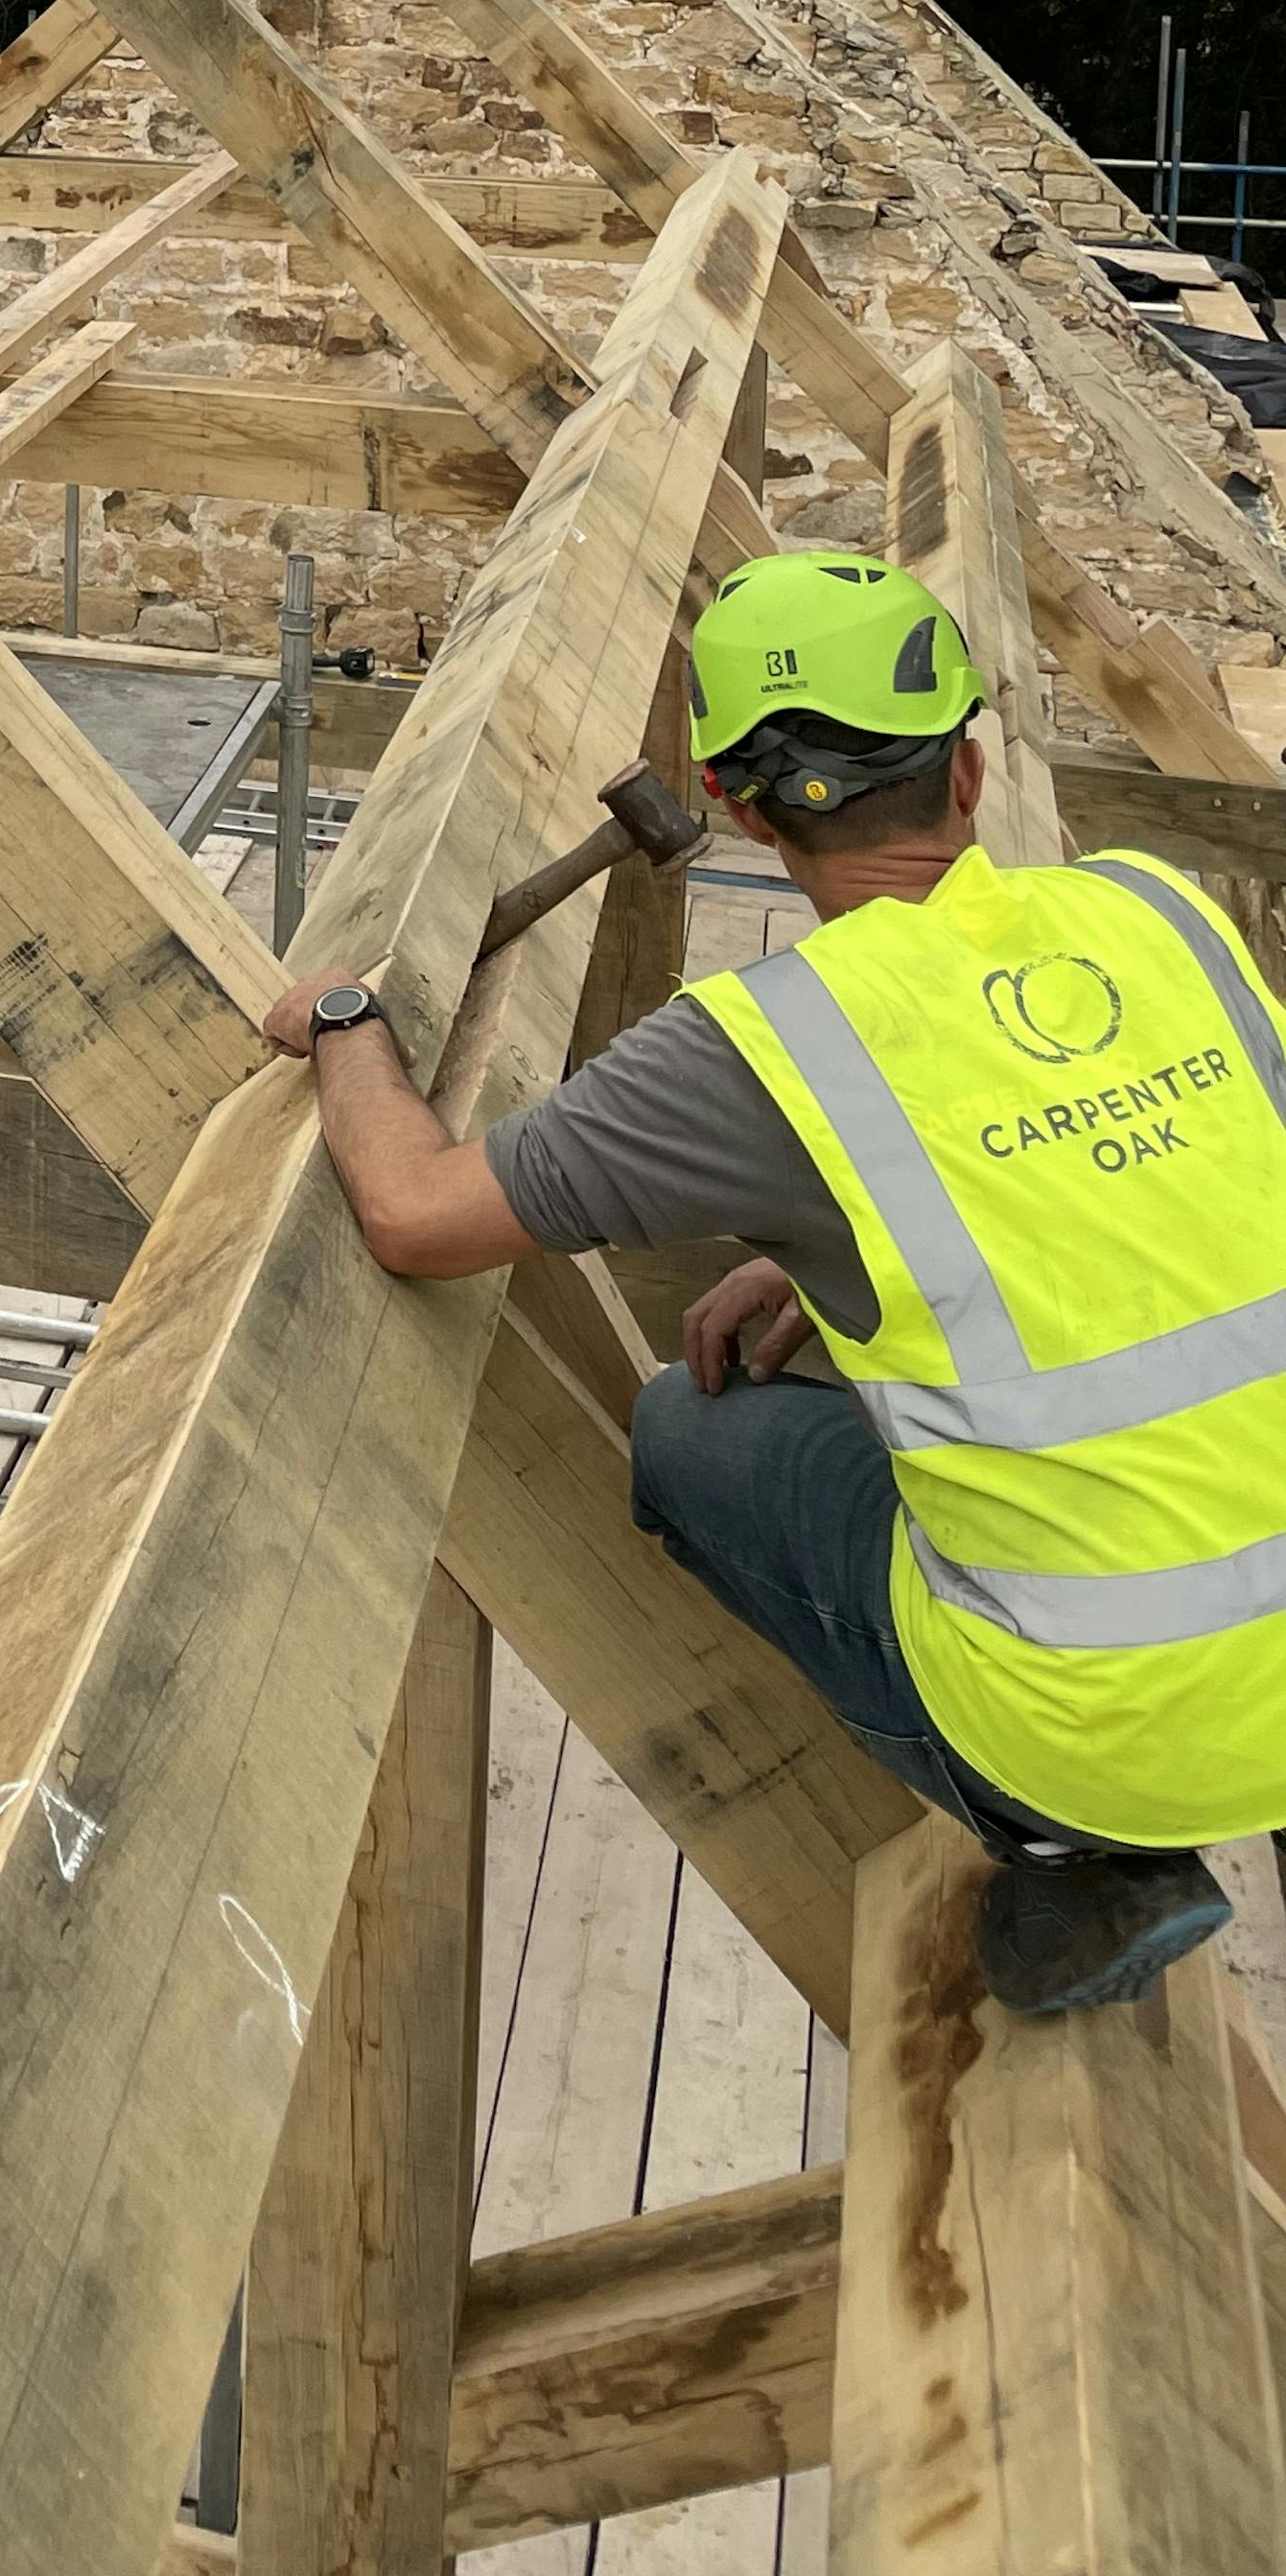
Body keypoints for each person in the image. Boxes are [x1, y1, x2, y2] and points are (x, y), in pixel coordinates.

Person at [264, 547, 1286, 2016]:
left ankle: (1073, 1845)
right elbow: (1196, 1181)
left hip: (1103, 1736)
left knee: (690, 1432)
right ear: (974, 775)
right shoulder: (1158, 915)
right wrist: (829, 1257)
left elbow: (415, 1211)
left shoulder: (768, 1048)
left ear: (738, 811)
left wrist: (350, 1025)